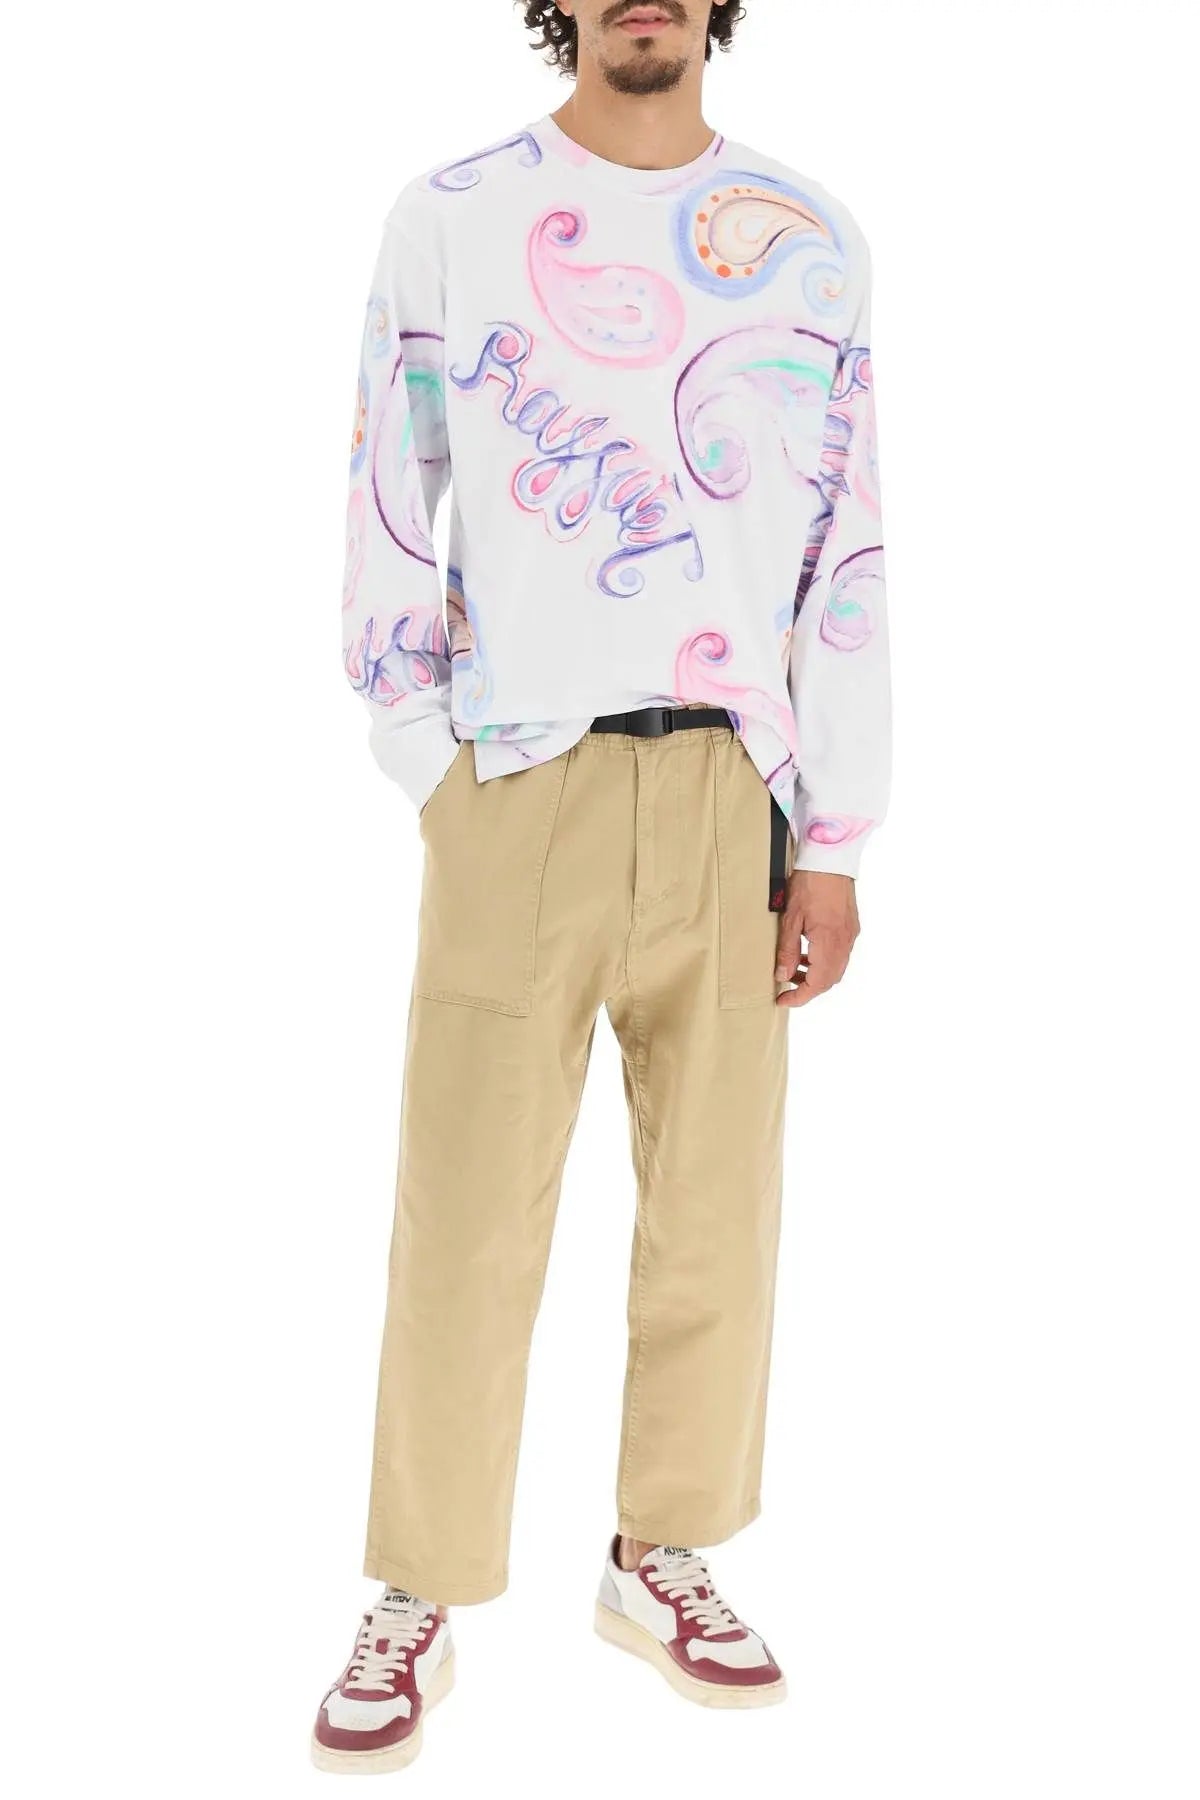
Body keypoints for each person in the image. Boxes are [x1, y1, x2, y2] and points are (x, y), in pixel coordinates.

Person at [313, 0, 891, 1772]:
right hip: (519, 775)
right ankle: (419, 1584)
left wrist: (835, 835)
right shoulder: (454, 216)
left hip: (735, 789)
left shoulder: (812, 242)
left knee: (718, 1204)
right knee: (466, 1206)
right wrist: (428, 756)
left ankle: (665, 1552)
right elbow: (388, 486)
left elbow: (846, 542)